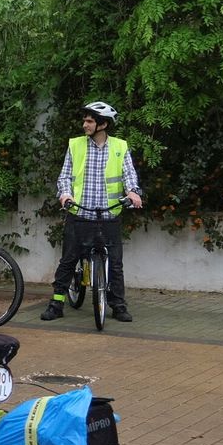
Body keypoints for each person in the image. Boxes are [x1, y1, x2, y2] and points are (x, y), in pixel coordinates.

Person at [42, 101, 143, 322]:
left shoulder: (120, 147)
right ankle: (57, 303)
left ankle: (118, 306)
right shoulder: (76, 145)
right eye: (85, 120)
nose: (84, 124)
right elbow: (65, 176)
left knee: (115, 264)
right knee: (68, 260)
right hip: (80, 213)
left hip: (109, 214)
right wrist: (65, 194)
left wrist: (133, 192)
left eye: (90, 120)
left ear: (103, 124)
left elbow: (129, 175)